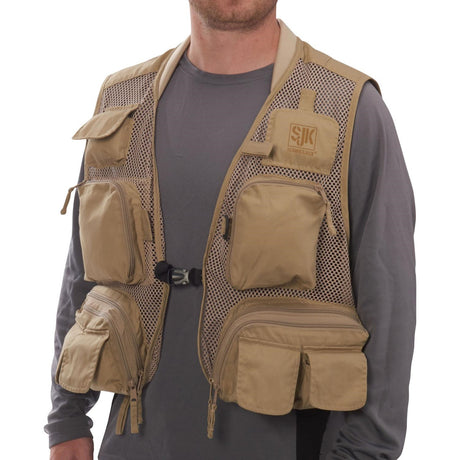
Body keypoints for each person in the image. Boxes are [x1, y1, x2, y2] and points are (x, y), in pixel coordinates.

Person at [44, 1, 416, 459]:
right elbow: (84, 275)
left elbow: (390, 304)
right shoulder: (122, 104)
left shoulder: (349, 109)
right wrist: (66, 419)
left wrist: (367, 452)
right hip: (131, 444)